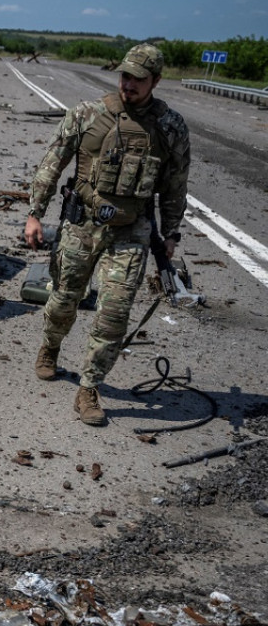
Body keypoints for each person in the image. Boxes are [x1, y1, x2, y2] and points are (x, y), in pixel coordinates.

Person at [22, 43, 190, 426]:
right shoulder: (87, 114)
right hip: (82, 225)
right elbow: (53, 161)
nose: (128, 84)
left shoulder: (169, 127)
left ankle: (89, 387)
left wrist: (171, 233)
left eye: (138, 79)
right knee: (65, 299)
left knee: (114, 314)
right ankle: (50, 347)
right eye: (125, 75)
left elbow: (176, 184)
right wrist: (35, 214)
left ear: (156, 81)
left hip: (131, 231)